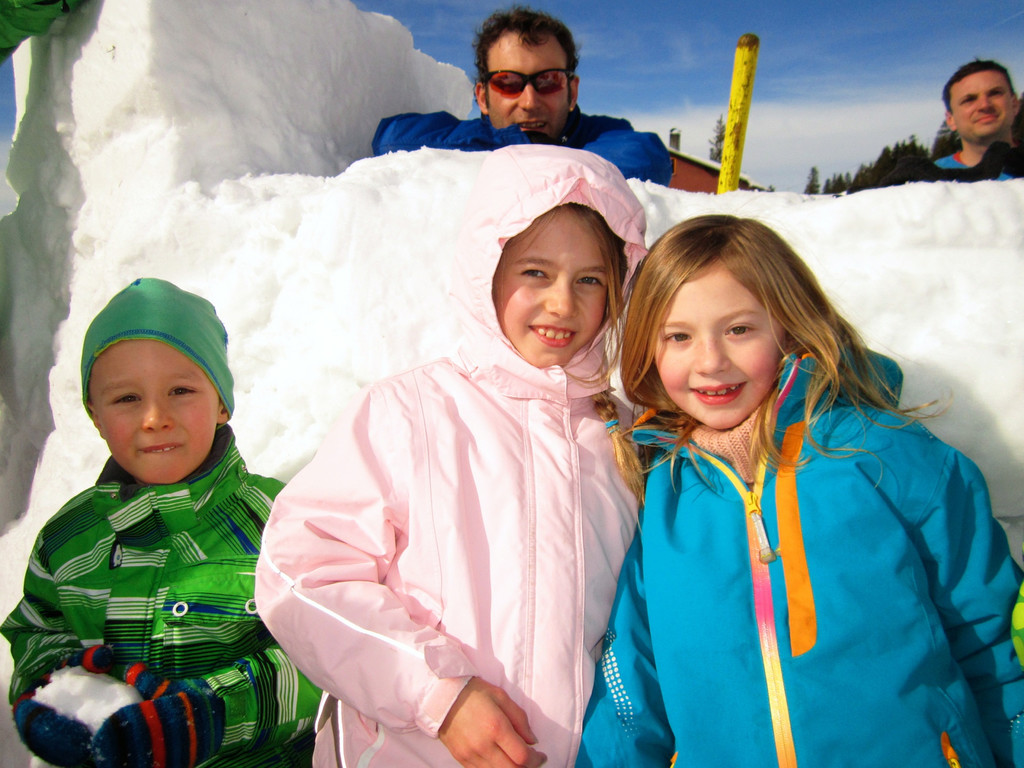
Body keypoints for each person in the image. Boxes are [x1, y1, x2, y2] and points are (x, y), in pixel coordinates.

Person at [576, 215, 1024, 766]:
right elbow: (632, 693)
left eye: (739, 329)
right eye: (679, 337)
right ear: (650, 347)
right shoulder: (664, 499)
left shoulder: (889, 456)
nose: (711, 360)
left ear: (788, 324)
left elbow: (994, 637)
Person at [254, 144, 648, 768]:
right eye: (536, 272)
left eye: (590, 280)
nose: (562, 304)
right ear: (486, 269)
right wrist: (439, 694)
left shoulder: (626, 438)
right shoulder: (409, 413)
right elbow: (301, 575)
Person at [2, 278, 319, 768]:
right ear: (94, 415)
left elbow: (331, 661)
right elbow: (38, 630)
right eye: (126, 399)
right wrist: (52, 683)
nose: (155, 417)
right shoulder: (66, 540)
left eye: (181, 390)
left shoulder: (283, 523)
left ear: (221, 403)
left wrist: (212, 712)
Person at [372, 6, 672, 186]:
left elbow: (647, 159)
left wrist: (529, 153)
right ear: (482, 97)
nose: (529, 101)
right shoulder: (473, 136)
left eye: (549, 81)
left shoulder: (603, 134)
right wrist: (513, 144)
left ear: (572, 92)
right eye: (508, 82)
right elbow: (392, 139)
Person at [937, 59, 1021, 176]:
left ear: (1015, 104)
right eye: (969, 99)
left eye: (995, 93)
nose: (984, 105)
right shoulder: (929, 180)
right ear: (951, 119)